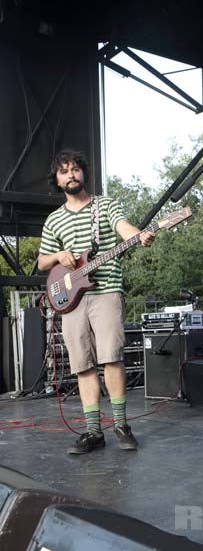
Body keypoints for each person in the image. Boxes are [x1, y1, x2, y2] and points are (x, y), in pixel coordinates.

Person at [38, 149, 155, 454]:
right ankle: (93, 432)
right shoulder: (54, 220)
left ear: (84, 173)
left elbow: (123, 228)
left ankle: (120, 425)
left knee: (111, 357)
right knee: (82, 365)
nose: (71, 174)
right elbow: (41, 263)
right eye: (64, 171)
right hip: (72, 299)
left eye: (75, 169)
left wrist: (138, 235)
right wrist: (57, 256)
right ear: (57, 180)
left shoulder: (104, 205)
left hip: (106, 291)